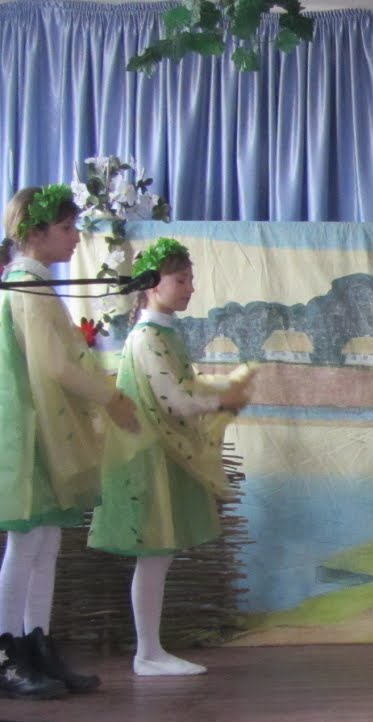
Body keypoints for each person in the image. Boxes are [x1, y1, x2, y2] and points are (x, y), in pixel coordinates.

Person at [0, 184, 141, 700]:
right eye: (66, 229)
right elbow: (56, 364)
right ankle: (9, 657)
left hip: (43, 428)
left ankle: (38, 646)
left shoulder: (33, 283)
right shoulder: (26, 285)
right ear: (35, 233)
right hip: (28, 433)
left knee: (46, 542)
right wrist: (110, 398)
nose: (74, 238)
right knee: (25, 544)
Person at [88, 238, 254, 676]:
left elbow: (184, 388)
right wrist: (222, 400)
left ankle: (151, 650)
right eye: (181, 280)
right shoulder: (147, 338)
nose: (190, 288)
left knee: (158, 556)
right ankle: (147, 653)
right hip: (147, 460)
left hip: (161, 456)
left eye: (190, 280)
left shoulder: (164, 335)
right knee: (154, 554)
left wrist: (220, 392)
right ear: (152, 285)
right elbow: (175, 401)